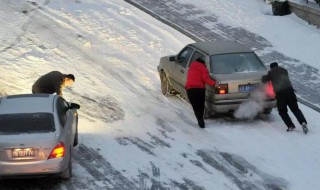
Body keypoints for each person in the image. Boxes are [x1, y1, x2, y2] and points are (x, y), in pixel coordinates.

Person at [262, 62, 308, 133]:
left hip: (280, 94)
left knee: (282, 111)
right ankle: (303, 122)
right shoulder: (284, 70)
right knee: (295, 109)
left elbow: (265, 79)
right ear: (277, 65)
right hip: (290, 91)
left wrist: (263, 77)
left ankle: (290, 126)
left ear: (271, 67)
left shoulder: (271, 72)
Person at [185, 57, 216, 128]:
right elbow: (206, 79)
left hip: (190, 90)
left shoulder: (191, 68)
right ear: (203, 63)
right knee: (200, 105)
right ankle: (201, 120)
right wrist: (214, 84)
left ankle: (199, 119)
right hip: (199, 90)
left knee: (195, 106)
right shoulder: (203, 68)